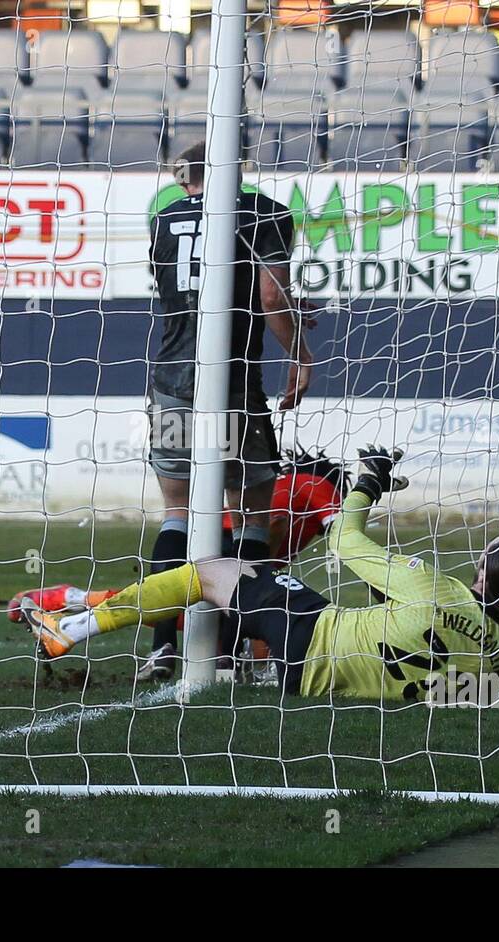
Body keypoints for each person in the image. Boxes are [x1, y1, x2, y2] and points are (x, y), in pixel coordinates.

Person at [21, 448, 499, 700]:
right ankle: (114, 622)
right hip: (318, 679)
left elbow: (344, 540)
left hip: (313, 632)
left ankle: (72, 627)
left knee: (207, 573)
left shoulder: (435, 586)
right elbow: (478, 689)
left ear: (483, 570)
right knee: (230, 589)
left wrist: (369, 483)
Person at [142, 139, 314, 678]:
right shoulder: (266, 212)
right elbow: (268, 298)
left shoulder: (166, 219)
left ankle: (163, 645)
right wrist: (301, 352)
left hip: (171, 378)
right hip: (232, 384)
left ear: (183, 177)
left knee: (178, 514)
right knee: (250, 515)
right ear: (235, 171)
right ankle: (236, 648)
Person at [7, 447, 350, 680]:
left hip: (203, 540)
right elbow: (341, 532)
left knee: (174, 606)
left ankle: (68, 600)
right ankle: (228, 661)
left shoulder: (287, 487)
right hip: (230, 550)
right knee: (244, 620)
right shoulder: (318, 485)